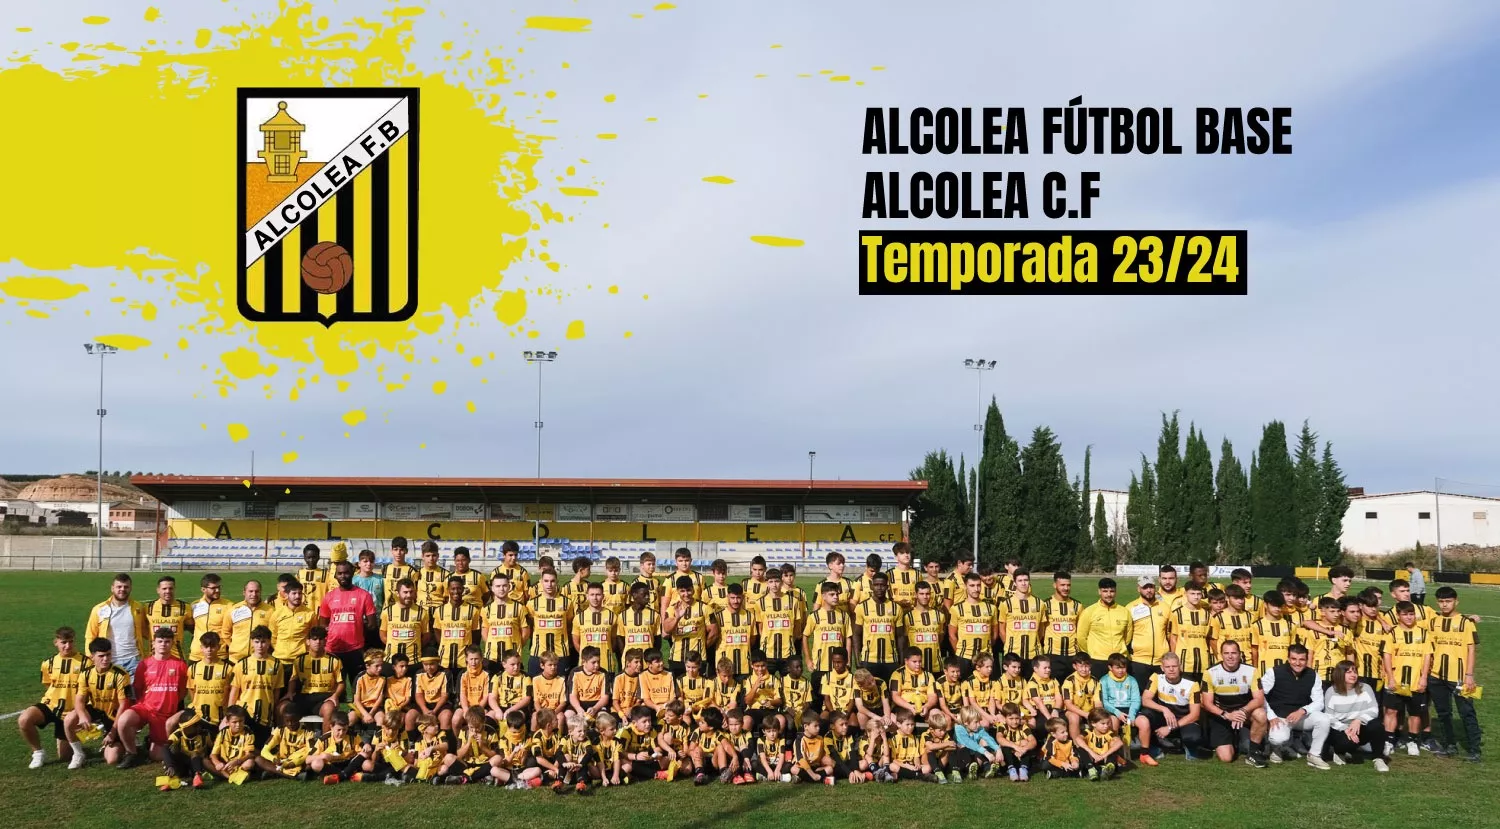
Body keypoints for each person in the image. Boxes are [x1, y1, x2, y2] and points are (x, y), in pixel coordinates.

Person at [113, 626, 189, 768]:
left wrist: (170, 702)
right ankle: (132, 753)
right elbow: (138, 688)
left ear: (172, 643)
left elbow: (183, 691)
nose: (163, 645)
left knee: (156, 756)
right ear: (153, 643)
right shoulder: (145, 664)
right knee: (123, 720)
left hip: (164, 714)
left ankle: (150, 741)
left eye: (167, 641)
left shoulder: (180, 665)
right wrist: (146, 702)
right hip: (145, 708)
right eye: (160, 641)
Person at [1428, 586, 1482, 761]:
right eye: (1441, 602)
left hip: (1460, 677)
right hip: (1436, 676)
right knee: (1443, 713)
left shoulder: (1466, 623)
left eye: (1448, 601)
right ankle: (1449, 746)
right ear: (1438, 602)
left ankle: (1474, 750)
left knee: (1467, 712)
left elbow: (1471, 650)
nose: (1444, 605)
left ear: (1456, 602)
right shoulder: (1433, 621)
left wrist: (1469, 674)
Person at [20, 626, 85, 769]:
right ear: (56, 642)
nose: (68, 646)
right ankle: (38, 753)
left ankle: (73, 741)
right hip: (51, 706)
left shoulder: (86, 663)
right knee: (24, 719)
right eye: (64, 642)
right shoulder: (47, 664)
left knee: (64, 757)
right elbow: (48, 685)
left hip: (72, 711)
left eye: (71, 641)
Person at [64, 637, 133, 768]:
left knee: (112, 760)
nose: (106, 659)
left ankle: (125, 741)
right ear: (92, 657)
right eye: (101, 656)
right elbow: (79, 700)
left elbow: (124, 705)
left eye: (108, 655)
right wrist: (83, 716)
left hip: (114, 716)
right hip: (96, 710)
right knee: (69, 719)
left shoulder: (120, 675)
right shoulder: (86, 674)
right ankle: (78, 754)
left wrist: (112, 732)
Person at [1260, 644, 1331, 768]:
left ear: (1306, 660)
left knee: (1324, 719)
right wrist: (1271, 716)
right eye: (1294, 659)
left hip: (1300, 716)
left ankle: (1314, 755)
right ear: (1288, 659)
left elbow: (1319, 702)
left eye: (1302, 659)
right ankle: (1276, 748)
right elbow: (1260, 696)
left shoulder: (1313, 675)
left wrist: (1303, 710)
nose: (1297, 663)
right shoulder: (1274, 672)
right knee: (1278, 739)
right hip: (1279, 716)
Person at [1200, 640, 1269, 766]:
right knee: (1226, 758)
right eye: (1226, 653)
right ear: (1221, 655)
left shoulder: (1251, 671)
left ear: (1239, 654)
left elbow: (1259, 699)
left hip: (1244, 713)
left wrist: (1242, 711)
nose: (1230, 656)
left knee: (1260, 714)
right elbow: (1207, 703)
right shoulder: (1210, 673)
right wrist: (1226, 715)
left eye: (1234, 653)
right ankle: (1236, 739)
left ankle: (1252, 754)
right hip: (1222, 715)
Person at [320, 560, 379, 693]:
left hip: (355, 649)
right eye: (339, 573)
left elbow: (372, 624)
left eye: (346, 573)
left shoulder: (364, 595)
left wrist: (355, 628)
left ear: (353, 573)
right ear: (335, 576)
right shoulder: (329, 597)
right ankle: (335, 713)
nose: (343, 576)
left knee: (357, 687)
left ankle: (356, 713)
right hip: (333, 648)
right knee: (334, 689)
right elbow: (323, 623)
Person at [1322, 660, 1389, 771]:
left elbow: (1374, 710)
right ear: (1340, 674)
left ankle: (1378, 758)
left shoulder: (1365, 688)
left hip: (1359, 726)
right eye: (1348, 672)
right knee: (1347, 743)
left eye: (1354, 671)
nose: (1353, 675)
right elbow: (1329, 717)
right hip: (1340, 729)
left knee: (1377, 726)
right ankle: (1339, 752)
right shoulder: (1331, 691)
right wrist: (1345, 729)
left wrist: (1359, 720)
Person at [1138, 653, 1203, 763]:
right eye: (1167, 667)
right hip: (1164, 717)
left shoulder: (1192, 683)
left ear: (1180, 666)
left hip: (1183, 720)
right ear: (1162, 668)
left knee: (1193, 737)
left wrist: (1169, 728)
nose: (1171, 669)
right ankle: (1151, 747)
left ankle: (1188, 746)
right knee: (1143, 717)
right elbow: (1145, 700)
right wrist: (1164, 709)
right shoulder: (1156, 677)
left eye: (1174, 666)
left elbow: (1195, 714)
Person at [85, 574, 147, 676]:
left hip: (133, 661)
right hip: (108, 661)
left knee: (132, 692)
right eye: (119, 587)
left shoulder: (138, 608)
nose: (122, 589)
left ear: (130, 588)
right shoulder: (99, 609)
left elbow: (146, 631)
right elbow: (90, 635)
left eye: (126, 587)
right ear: (112, 588)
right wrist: (90, 656)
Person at [853, 571, 903, 683]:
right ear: (871, 586)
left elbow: (900, 636)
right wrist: (857, 658)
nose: (879, 588)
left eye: (882, 585)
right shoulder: (862, 607)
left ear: (887, 586)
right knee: (868, 692)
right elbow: (856, 634)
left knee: (892, 692)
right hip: (869, 659)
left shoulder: (896, 608)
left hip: (891, 659)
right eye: (876, 585)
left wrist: (901, 657)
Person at [1076, 579, 1131, 680]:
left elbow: (1127, 636)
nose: (1109, 594)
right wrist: (1092, 652)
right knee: (1098, 692)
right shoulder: (1089, 611)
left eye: (1112, 591)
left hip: (1119, 661)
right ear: (1099, 591)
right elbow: (1081, 637)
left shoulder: (1124, 611)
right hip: (1098, 660)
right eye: (1105, 591)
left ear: (1116, 592)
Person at [1125, 575, 1170, 691]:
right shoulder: (1130, 608)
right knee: (1139, 694)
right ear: (1138, 589)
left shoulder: (1165, 607)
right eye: (1145, 587)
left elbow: (1169, 633)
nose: (1149, 590)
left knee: (1160, 696)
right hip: (1138, 661)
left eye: (1151, 587)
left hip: (1160, 661)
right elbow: (1126, 635)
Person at [1043, 572, 1083, 682]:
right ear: (1055, 585)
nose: (1066, 588)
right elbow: (1041, 630)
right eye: (1062, 585)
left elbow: (1080, 629)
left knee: (1072, 690)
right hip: (1053, 654)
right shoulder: (1046, 605)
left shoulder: (1077, 605)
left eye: (1068, 585)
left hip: (1072, 654)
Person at [143, 576, 192, 662]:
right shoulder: (148, 607)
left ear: (174, 589)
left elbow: (194, 629)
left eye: (171, 588)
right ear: (158, 590)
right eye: (164, 588)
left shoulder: (185, 607)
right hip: (153, 657)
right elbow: (142, 629)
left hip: (177, 658)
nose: (168, 591)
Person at [188, 573, 233, 664]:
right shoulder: (194, 606)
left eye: (219, 587)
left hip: (219, 654)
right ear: (203, 589)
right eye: (213, 588)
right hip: (197, 654)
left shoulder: (229, 606)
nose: (217, 590)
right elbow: (190, 626)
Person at [228, 580, 276, 662]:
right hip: (236, 659)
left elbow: (274, 634)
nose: (254, 594)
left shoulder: (270, 611)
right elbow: (226, 632)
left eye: (257, 591)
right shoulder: (234, 609)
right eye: (250, 591)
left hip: (260, 658)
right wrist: (235, 647)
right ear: (244, 592)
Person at [381, 536, 417, 608]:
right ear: (392, 551)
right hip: (387, 610)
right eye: (395, 549)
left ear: (406, 551)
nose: (398, 553)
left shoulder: (412, 571)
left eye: (401, 550)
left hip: (405, 609)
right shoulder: (385, 568)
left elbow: (415, 594)